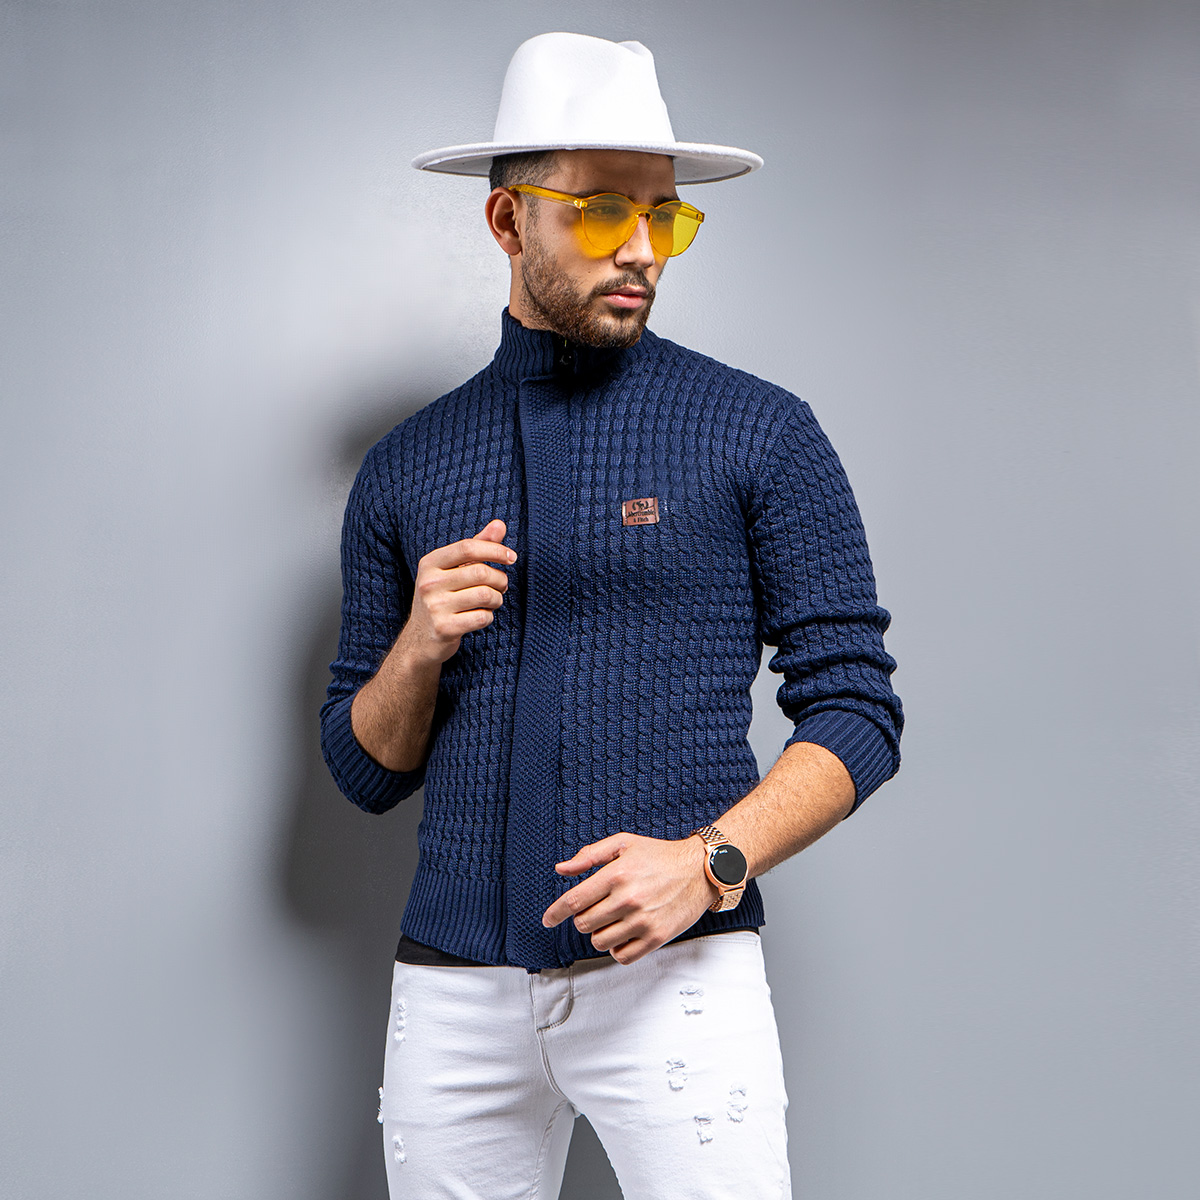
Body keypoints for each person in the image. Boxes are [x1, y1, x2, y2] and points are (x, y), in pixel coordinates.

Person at [320, 31, 903, 1200]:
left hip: (677, 978)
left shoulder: (758, 432)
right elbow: (363, 768)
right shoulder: (406, 466)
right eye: (599, 214)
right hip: (452, 993)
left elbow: (859, 714)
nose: (640, 249)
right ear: (508, 222)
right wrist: (419, 649)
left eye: (664, 217)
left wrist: (711, 863)